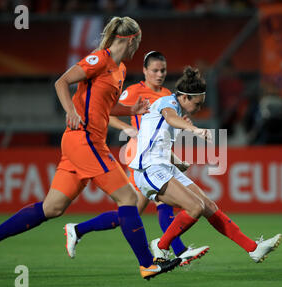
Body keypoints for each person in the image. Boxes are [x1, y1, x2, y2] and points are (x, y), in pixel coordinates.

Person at [0, 16, 181, 280]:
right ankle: (147, 264)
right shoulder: (99, 59)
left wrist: (129, 109)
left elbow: (105, 107)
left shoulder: (118, 70)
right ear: (130, 40)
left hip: (85, 142)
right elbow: (61, 82)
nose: (136, 49)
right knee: (128, 198)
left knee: (53, 208)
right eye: (137, 43)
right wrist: (71, 111)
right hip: (84, 140)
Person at [63, 51, 209, 266]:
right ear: (145, 71)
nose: (159, 74)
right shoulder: (134, 92)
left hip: (158, 155)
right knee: (159, 204)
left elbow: (165, 129)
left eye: (163, 70)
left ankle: (77, 229)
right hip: (140, 155)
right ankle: (178, 251)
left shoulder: (169, 94)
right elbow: (107, 113)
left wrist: (175, 155)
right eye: (155, 70)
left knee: (130, 213)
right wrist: (127, 128)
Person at [128, 66, 282, 265]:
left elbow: (157, 142)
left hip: (163, 166)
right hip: (148, 169)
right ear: (184, 97)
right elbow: (170, 117)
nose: (200, 108)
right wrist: (194, 129)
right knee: (194, 207)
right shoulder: (168, 103)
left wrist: (177, 161)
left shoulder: (177, 110)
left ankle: (253, 248)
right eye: (198, 104)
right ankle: (162, 245)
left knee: (208, 206)